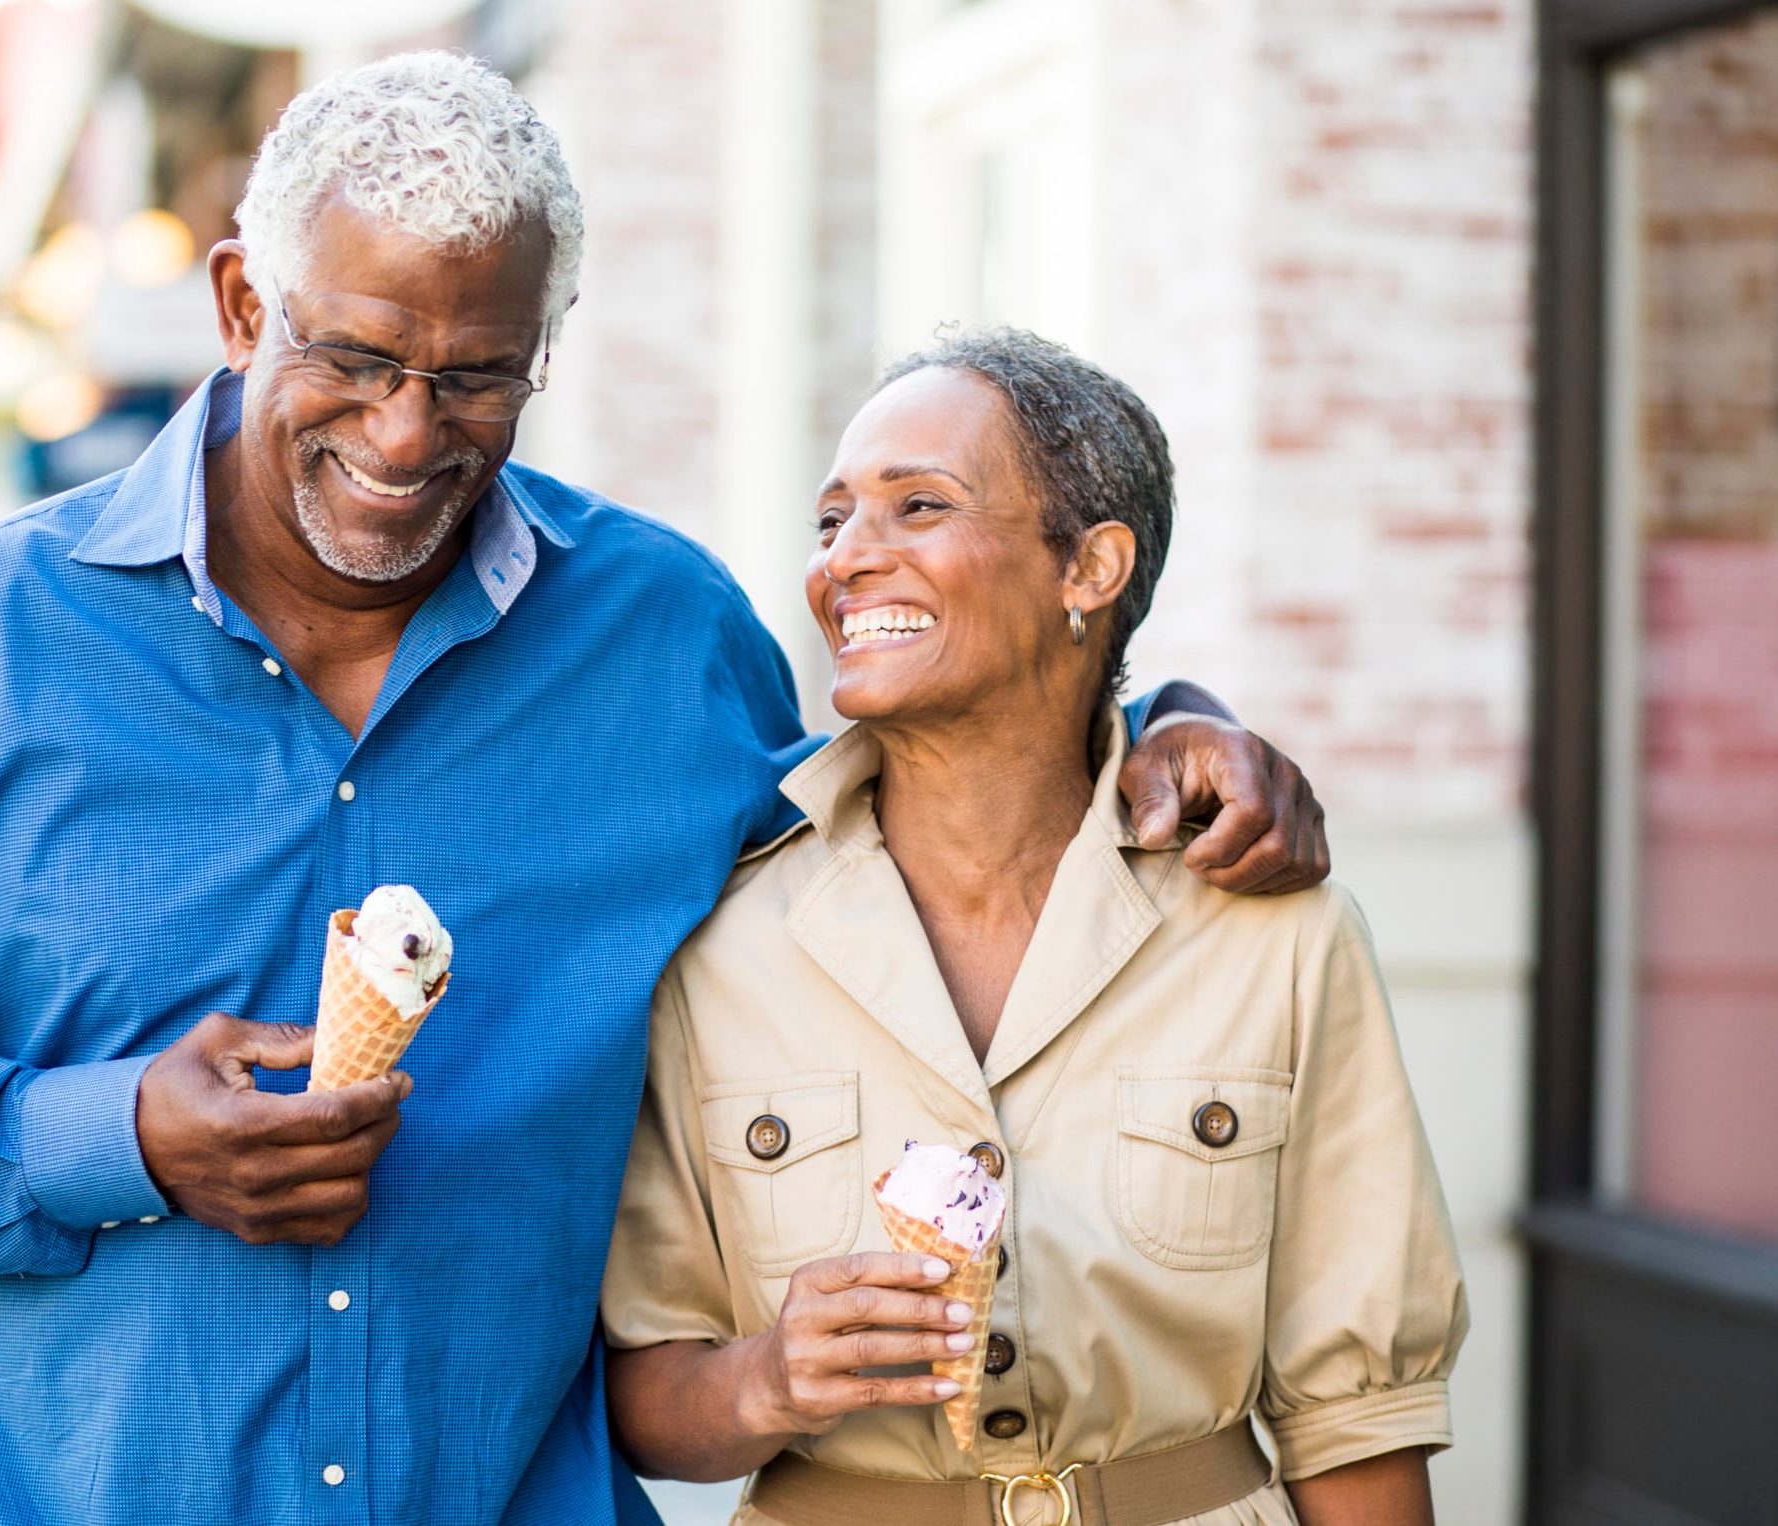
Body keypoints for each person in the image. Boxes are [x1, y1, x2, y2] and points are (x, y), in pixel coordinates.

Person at [0, 55, 1329, 1525]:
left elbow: (919, 831)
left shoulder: (662, 637)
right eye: (358, 356)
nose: (408, 434)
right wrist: (115, 1135)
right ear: (242, 305)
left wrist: (1158, 722)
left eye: (476, 376)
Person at [601, 327, 1466, 1525]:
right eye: (834, 519)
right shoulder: (720, 944)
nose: (850, 557)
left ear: (1091, 567)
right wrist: (769, 1377)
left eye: (919, 506)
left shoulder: (1276, 935)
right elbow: (644, 1390)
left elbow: (1357, 1421)